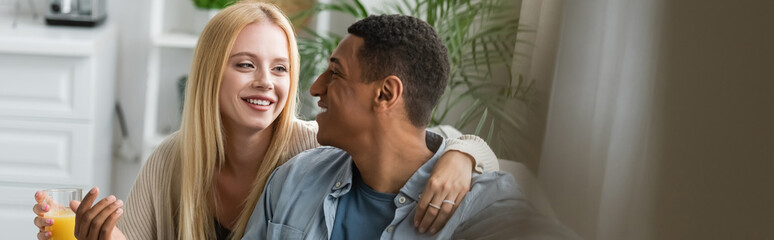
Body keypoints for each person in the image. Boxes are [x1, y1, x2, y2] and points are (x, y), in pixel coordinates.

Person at [31, 1, 500, 240]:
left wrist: (464, 153)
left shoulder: (317, 149)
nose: (267, 83)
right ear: (210, 73)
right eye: (244, 65)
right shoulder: (178, 158)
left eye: (280, 69)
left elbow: (415, 138)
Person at [241, 14, 579, 239]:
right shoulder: (295, 178)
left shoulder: (483, 208)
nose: (315, 87)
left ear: (386, 93)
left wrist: (465, 152)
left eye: (336, 73)